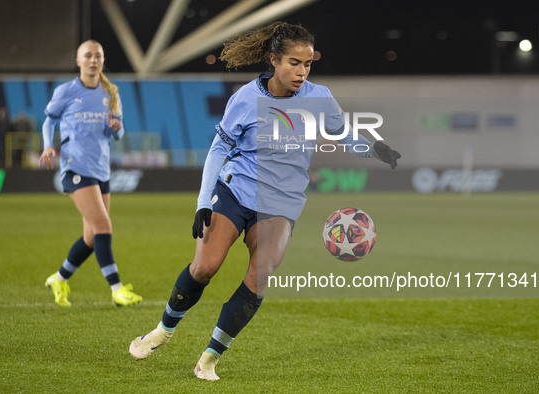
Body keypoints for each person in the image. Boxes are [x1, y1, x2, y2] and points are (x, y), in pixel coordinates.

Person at [128, 22, 400, 380]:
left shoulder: (319, 98)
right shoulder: (245, 99)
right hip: (237, 190)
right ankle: (163, 330)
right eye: (293, 63)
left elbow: (344, 135)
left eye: (307, 64)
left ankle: (210, 356)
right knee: (204, 268)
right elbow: (219, 148)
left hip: (281, 204)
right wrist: (202, 203)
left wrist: (375, 150)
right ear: (274, 60)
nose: (302, 72)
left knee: (260, 277)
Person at [39, 40, 142, 307]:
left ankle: (60, 279)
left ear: (102, 60)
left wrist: (115, 126)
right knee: (104, 227)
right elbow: (49, 119)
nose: (93, 60)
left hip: (100, 168)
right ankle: (117, 288)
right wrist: (48, 145)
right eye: (88, 56)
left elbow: (118, 134)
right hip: (75, 166)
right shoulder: (66, 91)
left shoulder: (111, 92)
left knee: (91, 236)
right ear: (79, 61)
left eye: (98, 55)